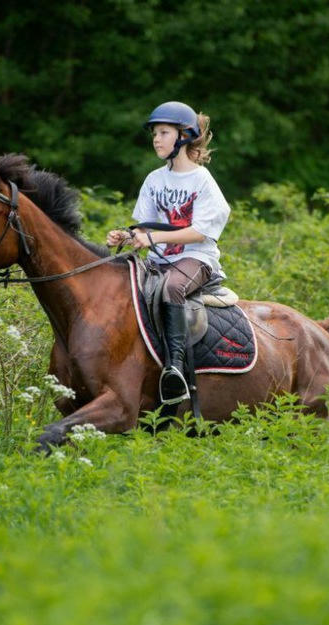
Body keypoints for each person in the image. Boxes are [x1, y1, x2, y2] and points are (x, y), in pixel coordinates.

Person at [106, 101, 231, 404]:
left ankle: (174, 369)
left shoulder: (201, 180)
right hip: (158, 262)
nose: (156, 139)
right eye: (154, 134)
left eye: (163, 132)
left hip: (196, 259)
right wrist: (127, 235)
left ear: (184, 136)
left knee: (172, 288)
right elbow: (144, 226)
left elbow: (201, 231)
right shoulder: (154, 179)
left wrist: (155, 237)